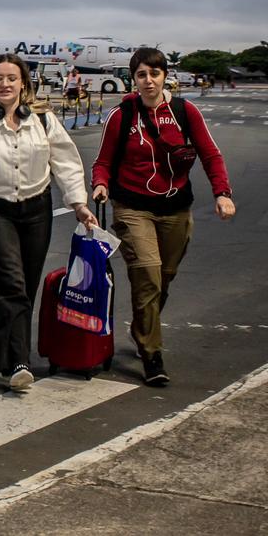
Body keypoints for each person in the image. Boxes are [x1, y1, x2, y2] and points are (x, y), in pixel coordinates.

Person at [0, 53, 97, 391]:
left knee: (23, 284)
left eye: (11, 78)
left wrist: (78, 203)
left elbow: (66, 163)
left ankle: (5, 358)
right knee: (11, 282)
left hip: (36, 210)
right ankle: (20, 361)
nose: (5, 84)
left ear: (23, 83)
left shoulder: (43, 121)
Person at [90, 47, 234, 387]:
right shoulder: (122, 116)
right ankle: (151, 354)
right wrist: (99, 185)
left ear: (164, 76)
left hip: (176, 209)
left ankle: (142, 326)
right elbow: (103, 162)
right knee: (148, 276)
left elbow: (211, 154)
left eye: (154, 73)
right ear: (134, 79)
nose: (149, 80)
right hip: (133, 207)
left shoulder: (185, 112)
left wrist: (223, 193)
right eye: (141, 74)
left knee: (163, 278)